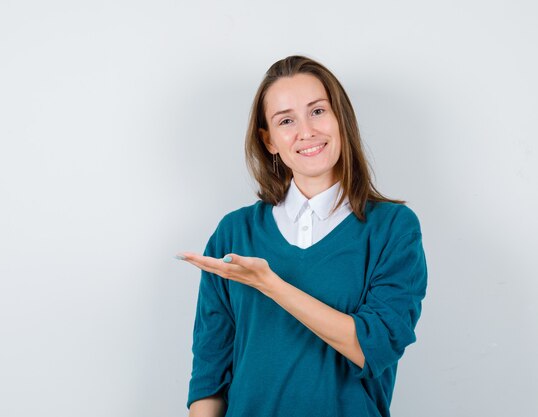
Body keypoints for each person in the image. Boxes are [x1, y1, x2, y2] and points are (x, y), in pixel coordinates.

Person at [175, 55, 427, 417]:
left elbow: (374, 346)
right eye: (286, 120)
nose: (306, 131)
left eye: (318, 111)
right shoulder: (234, 232)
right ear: (270, 140)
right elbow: (209, 375)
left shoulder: (393, 228)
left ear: (341, 119)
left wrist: (270, 284)